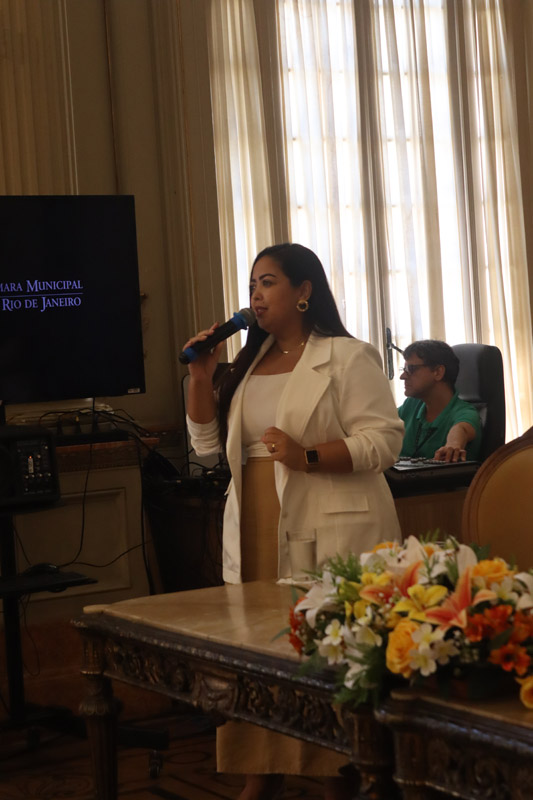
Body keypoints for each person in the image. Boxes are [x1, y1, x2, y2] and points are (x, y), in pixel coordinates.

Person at [185, 243, 404, 800]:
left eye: (270, 282)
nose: (256, 294)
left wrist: (306, 455)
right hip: (255, 520)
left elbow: (385, 442)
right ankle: (260, 774)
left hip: (326, 517)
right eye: (253, 284)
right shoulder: (250, 362)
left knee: (320, 654)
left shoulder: (347, 356)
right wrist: (200, 376)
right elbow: (207, 451)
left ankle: (335, 777)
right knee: (259, 655)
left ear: (304, 291)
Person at [398, 339, 482, 462]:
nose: (403, 376)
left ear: (438, 372)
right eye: (404, 370)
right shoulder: (411, 405)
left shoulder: (465, 412)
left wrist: (453, 444)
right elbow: (382, 423)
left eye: (411, 369)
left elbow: (461, 429)